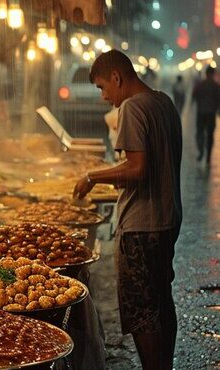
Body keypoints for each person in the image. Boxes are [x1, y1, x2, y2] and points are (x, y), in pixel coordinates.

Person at [72, 50, 182, 370]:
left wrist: (94, 176)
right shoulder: (164, 102)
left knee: (142, 308)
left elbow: (137, 169)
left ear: (118, 78)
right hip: (167, 217)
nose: (105, 97)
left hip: (142, 224)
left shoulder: (132, 107)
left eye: (103, 87)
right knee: (162, 299)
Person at [191, 65, 220, 164]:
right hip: (211, 114)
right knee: (210, 135)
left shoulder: (200, 85)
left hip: (201, 113)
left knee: (200, 133)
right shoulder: (216, 86)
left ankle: (201, 151)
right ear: (212, 74)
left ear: (206, 74)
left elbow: (194, 96)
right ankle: (208, 156)